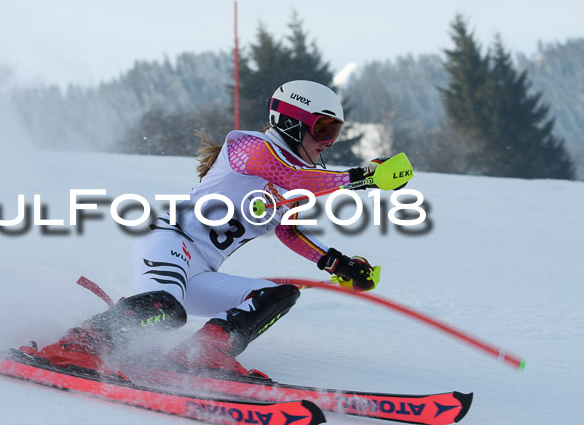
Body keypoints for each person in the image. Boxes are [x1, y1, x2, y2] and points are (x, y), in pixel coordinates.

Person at [21, 80, 399, 377]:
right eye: (323, 128)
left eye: (335, 131)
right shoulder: (249, 148)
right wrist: (361, 178)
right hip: (170, 244)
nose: (328, 142)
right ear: (289, 121)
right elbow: (284, 172)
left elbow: (288, 230)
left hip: (203, 270)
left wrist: (336, 263)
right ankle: (77, 344)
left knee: (277, 296)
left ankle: (202, 355)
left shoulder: (297, 181)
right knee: (167, 310)